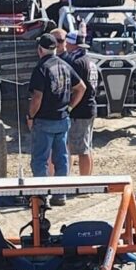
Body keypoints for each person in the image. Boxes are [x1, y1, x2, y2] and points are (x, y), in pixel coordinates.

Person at [26, 32, 84, 205]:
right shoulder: (64, 65)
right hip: (62, 119)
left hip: (44, 121)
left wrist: (30, 116)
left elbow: (37, 98)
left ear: (40, 50)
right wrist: (71, 106)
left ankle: (41, 196)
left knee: (40, 160)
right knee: (61, 158)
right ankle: (60, 195)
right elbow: (81, 87)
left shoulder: (41, 68)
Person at [61, 31, 98, 177]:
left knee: (80, 150)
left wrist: (69, 106)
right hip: (89, 107)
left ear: (70, 44)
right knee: (85, 147)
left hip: (80, 110)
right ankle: (86, 179)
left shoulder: (75, 62)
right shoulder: (89, 60)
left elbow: (74, 87)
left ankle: (84, 182)